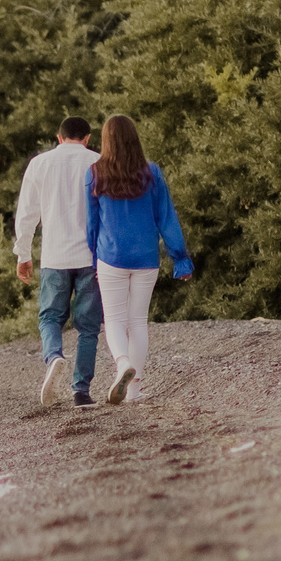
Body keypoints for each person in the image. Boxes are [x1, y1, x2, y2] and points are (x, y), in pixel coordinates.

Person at [83, 113, 194, 405]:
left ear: (105, 141)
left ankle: (122, 365)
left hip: (111, 257)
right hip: (146, 258)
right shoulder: (152, 173)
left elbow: (92, 224)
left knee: (115, 321)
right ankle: (135, 390)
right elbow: (166, 218)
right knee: (138, 321)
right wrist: (180, 259)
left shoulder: (94, 173)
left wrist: (94, 259)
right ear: (135, 138)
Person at [13, 115, 103, 407]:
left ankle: (54, 356)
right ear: (88, 138)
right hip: (92, 257)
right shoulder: (99, 161)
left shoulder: (40, 163)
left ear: (59, 137)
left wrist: (23, 254)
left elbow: (27, 214)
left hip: (54, 256)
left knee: (50, 317)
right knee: (88, 326)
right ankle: (81, 391)